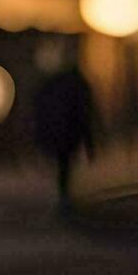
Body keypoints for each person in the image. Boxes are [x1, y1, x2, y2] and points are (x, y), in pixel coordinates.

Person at [34, 60, 96, 213]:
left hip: (61, 132)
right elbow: (84, 114)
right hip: (67, 133)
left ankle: (63, 194)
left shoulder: (52, 86)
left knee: (63, 163)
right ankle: (63, 194)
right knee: (65, 164)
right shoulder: (74, 87)